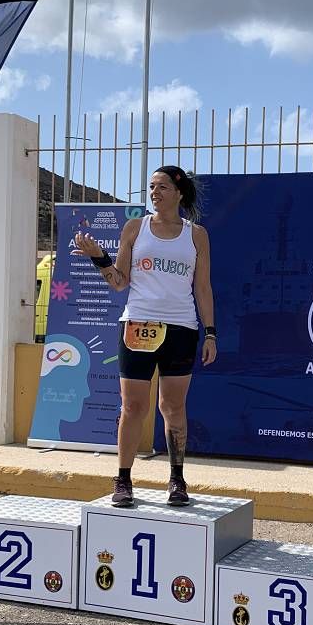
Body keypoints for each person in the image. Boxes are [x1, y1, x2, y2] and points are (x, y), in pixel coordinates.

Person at [74, 165, 216, 507]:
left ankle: (177, 479)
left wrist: (210, 333)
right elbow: (120, 282)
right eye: (151, 187)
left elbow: (202, 287)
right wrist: (99, 259)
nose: (155, 192)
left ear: (179, 193)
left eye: (162, 187)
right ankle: (123, 479)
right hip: (137, 326)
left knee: (172, 405)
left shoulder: (196, 235)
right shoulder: (135, 228)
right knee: (133, 406)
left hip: (182, 328)